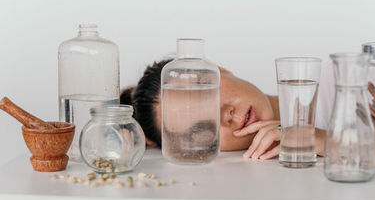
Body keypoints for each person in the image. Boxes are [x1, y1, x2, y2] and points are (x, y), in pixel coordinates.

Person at [121, 59, 327, 160]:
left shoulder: (342, 83)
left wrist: (319, 140)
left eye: (210, 94)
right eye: (205, 129)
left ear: (221, 71)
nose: (225, 115)